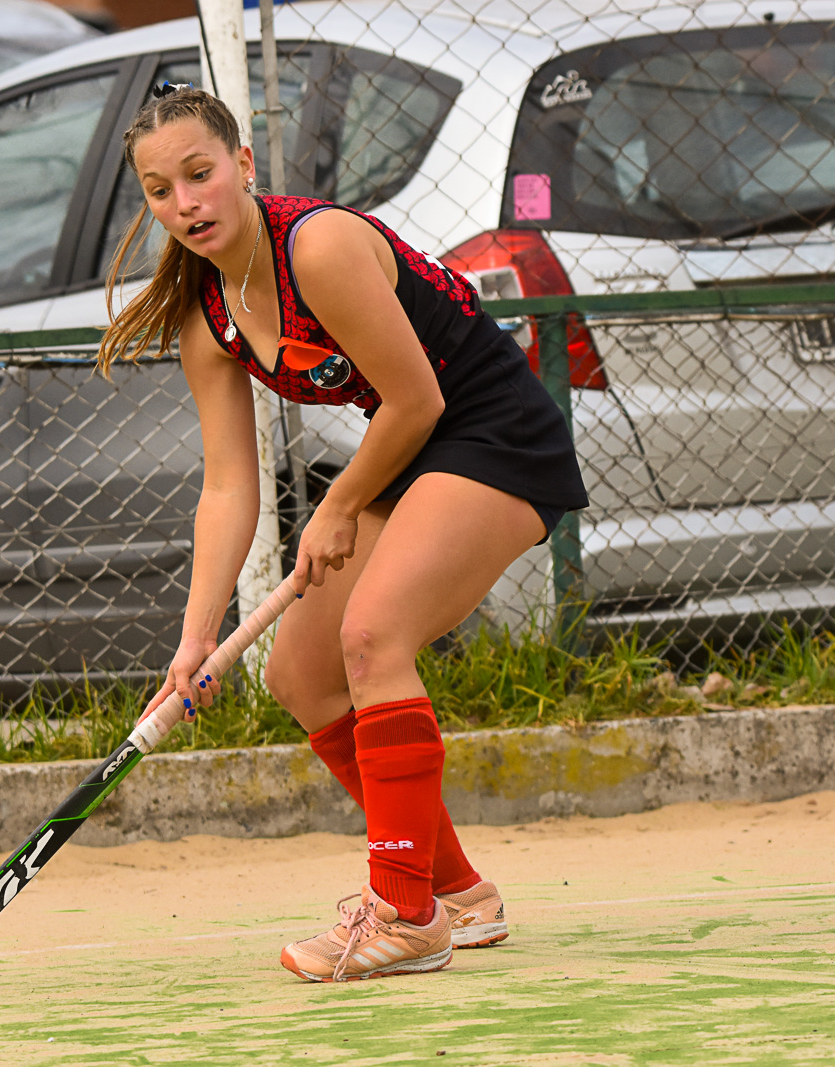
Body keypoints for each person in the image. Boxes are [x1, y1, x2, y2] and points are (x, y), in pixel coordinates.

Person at [98, 85, 588, 983]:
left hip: (491, 432)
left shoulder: (314, 246)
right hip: (408, 450)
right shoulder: (207, 318)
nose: (186, 204)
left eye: (201, 175)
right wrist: (197, 636)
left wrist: (336, 506)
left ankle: (404, 914)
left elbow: (420, 399)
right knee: (298, 672)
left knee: (372, 637)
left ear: (243, 165)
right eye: (161, 190)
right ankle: (458, 895)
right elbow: (225, 487)